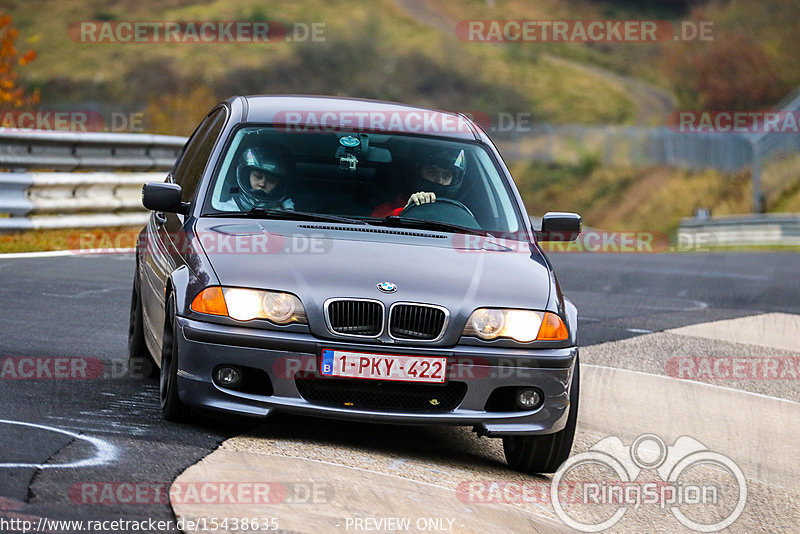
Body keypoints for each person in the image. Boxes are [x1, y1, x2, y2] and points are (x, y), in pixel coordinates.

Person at [371, 148, 466, 217]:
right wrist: (408, 210)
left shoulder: (460, 212)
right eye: (431, 173)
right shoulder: (390, 206)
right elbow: (375, 230)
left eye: (447, 176)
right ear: (418, 171)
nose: (439, 180)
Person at [221, 145, 295, 211]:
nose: (262, 184)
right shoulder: (227, 204)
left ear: (278, 184)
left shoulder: (285, 206)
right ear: (247, 175)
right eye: (258, 176)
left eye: (271, 180)